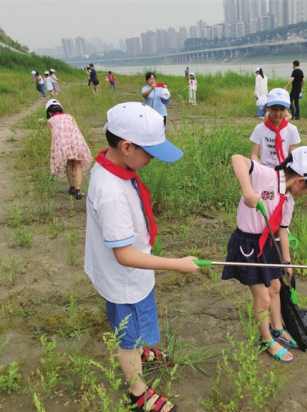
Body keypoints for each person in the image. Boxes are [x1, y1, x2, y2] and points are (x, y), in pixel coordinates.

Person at [84, 102, 199, 412]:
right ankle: (138, 393)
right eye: (149, 153)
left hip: (133, 274)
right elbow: (123, 255)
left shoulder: (118, 168)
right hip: (122, 278)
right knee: (128, 338)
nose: (152, 159)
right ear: (126, 146)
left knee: (138, 319)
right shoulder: (111, 191)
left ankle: (140, 353)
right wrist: (177, 264)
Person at [222, 146, 307, 362]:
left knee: (276, 287)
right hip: (248, 245)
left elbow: (283, 230)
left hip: (270, 244)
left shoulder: (289, 201)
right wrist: (248, 191)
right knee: (263, 297)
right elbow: (237, 158)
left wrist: (287, 260)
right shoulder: (267, 175)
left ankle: (276, 327)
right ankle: (266, 339)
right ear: (300, 181)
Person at [46, 99, 92, 199]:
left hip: (63, 144)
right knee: (78, 164)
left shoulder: (50, 121)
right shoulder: (70, 117)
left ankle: (72, 187)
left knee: (69, 164)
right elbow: (77, 129)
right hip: (76, 141)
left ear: (49, 113)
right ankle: (78, 190)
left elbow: (54, 136)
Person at [250, 88, 300, 167]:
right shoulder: (259, 129)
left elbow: (292, 157)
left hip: (284, 169)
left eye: (282, 109)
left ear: (286, 110)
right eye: (274, 109)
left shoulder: (292, 130)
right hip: (265, 169)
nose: (277, 113)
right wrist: (259, 169)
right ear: (267, 108)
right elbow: (254, 155)